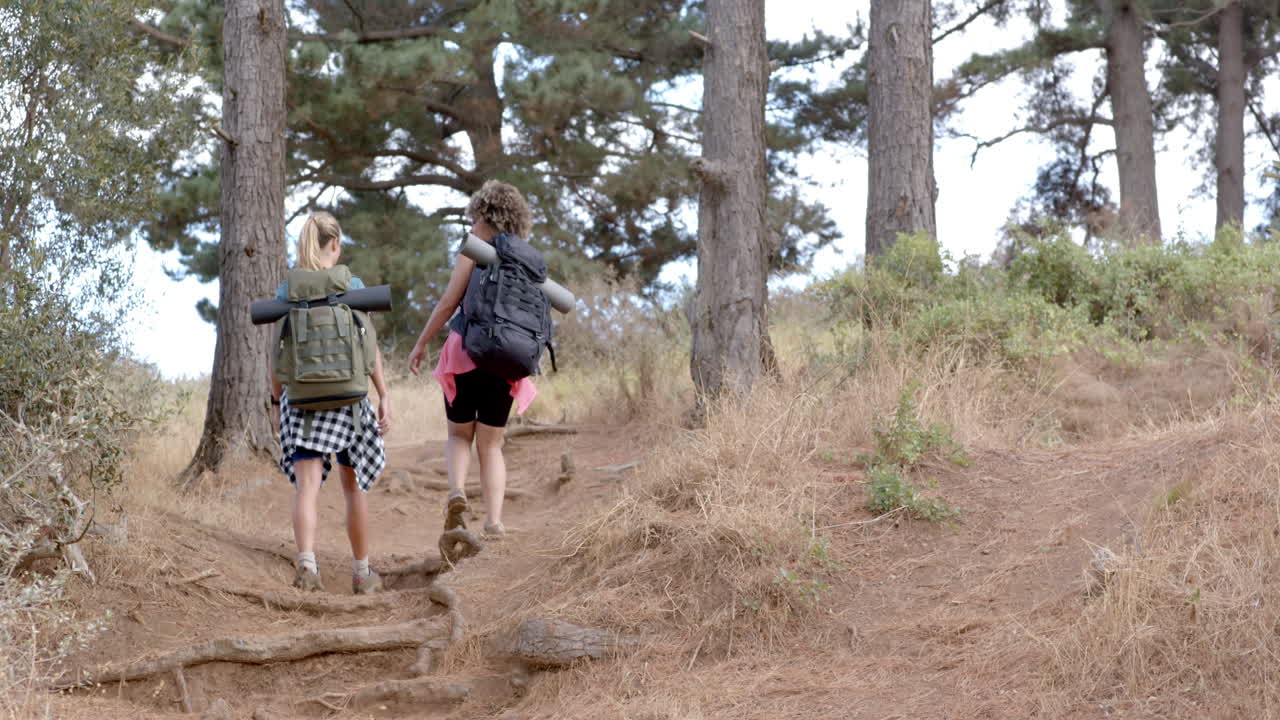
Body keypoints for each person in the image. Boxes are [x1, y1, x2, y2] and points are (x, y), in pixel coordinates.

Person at [408, 181, 539, 538]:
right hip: (507, 362)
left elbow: (448, 303)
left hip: (466, 353)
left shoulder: (473, 250)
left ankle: (457, 494)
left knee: (459, 435)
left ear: (485, 216)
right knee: (492, 444)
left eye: (474, 219)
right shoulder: (528, 262)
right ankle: (494, 522)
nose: (470, 227)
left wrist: (421, 343)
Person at [271, 211, 392, 594]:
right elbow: (368, 349)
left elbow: (279, 356)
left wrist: (277, 404)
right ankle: (362, 573)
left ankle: (307, 566)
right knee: (353, 487)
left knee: (306, 486)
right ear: (335, 244)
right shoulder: (352, 285)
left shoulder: (287, 291)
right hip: (350, 400)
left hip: (304, 400)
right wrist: (384, 394)